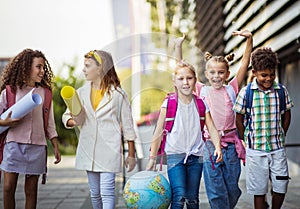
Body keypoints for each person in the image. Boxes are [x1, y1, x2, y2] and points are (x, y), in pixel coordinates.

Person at [175, 29, 252, 208]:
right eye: (212, 73)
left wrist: (249, 39)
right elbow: (182, 69)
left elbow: (245, 63)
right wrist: (179, 46)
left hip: (231, 143)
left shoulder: (232, 88)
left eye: (220, 73)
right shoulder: (202, 90)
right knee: (215, 187)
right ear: (207, 74)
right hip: (209, 143)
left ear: (226, 74)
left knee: (232, 187)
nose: (216, 76)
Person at [62, 50, 137, 209]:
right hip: (89, 149)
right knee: (95, 193)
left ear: (100, 68)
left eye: (88, 66)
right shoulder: (80, 93)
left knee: (107, 191)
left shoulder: (118, 94)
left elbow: (128, 125)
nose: (84, 70)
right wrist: (70, 121)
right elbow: (66, 114)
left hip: (109, 149)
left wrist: (131, 154)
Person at [146, 60, 223, 209]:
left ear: (195, 80)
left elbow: (212, 127)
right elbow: (158, 132)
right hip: (175, 155)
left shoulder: (201, 103)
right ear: (174, 81)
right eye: (181, 79)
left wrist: (218, 147)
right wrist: (152, 158)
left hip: (196, 156)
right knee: (179, 196)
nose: (185, 82)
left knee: (193, 199)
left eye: (189, 78)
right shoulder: (168, 104)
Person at [0, 49, 61, 209]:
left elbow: (50, 123)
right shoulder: (10, 91)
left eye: (43, 67)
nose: (42, 71)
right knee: (8, 188)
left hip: (37, 147)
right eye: (38, 67)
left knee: (31, 190)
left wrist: (55, 144)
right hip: (13, 145)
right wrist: (5, 123)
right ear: (27, 67)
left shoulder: (45, 93)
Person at [233, 47, 294, 209]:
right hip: (256, 151)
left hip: (277, 150)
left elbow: (286, 115)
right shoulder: (246, 93)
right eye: (264, 75)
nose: (268, 79)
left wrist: (282, 134)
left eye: (272, 74)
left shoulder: (281, 91)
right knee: (259, 190)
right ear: (254, 72)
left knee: (281, 186)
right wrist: (245, 138)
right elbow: (238, 119)